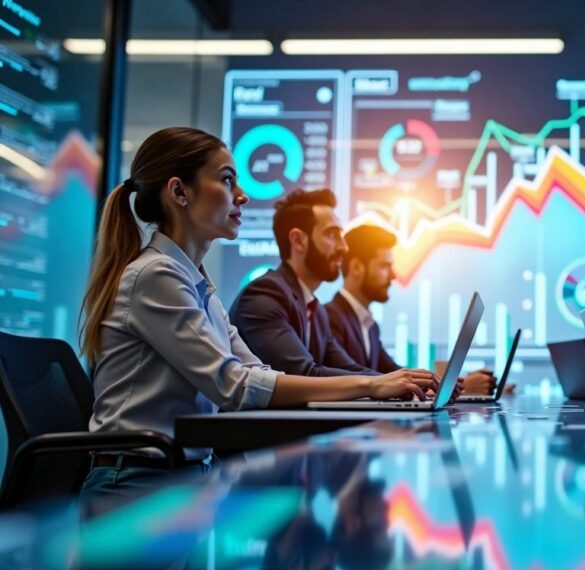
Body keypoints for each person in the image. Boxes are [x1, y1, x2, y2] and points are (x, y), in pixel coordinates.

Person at [79, 127, 439, 483]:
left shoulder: (194, 282)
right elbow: (234, 386)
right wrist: (370, 387)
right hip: (135, 481)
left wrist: (383, 386)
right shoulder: (155, 276)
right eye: (226, 180)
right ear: (179, 192)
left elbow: (257, 372)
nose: (242, 195)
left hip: (186, 476)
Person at [230, 188, 386, 377]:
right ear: (298, 241)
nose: (344, 248)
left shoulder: (317, 311)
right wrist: (386, 384)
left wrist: (402, 384)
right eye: (332, 235)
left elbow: (349, 370)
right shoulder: (263, 296)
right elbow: (302, 374)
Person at [326, 224, 495, 394]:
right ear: (356, 268)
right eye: (384, 266)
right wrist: (460, 387)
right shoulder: (330, 317)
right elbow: (354, 376)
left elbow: (393, 372)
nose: (392, 276)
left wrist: (455, 384)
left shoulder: (370, 325)